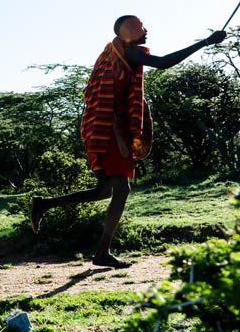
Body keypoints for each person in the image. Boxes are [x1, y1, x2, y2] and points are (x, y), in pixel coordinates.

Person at [30, 16, 226, 268]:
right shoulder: (129, 53)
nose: (146, 30)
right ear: (131, 32)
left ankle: (44, 205)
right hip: (111, 129)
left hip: (101, 125)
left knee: (104, 191)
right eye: (141, 27)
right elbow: (165, 63)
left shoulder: (113, 53)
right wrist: (206, 42)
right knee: (121, 190)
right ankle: (102, 254)